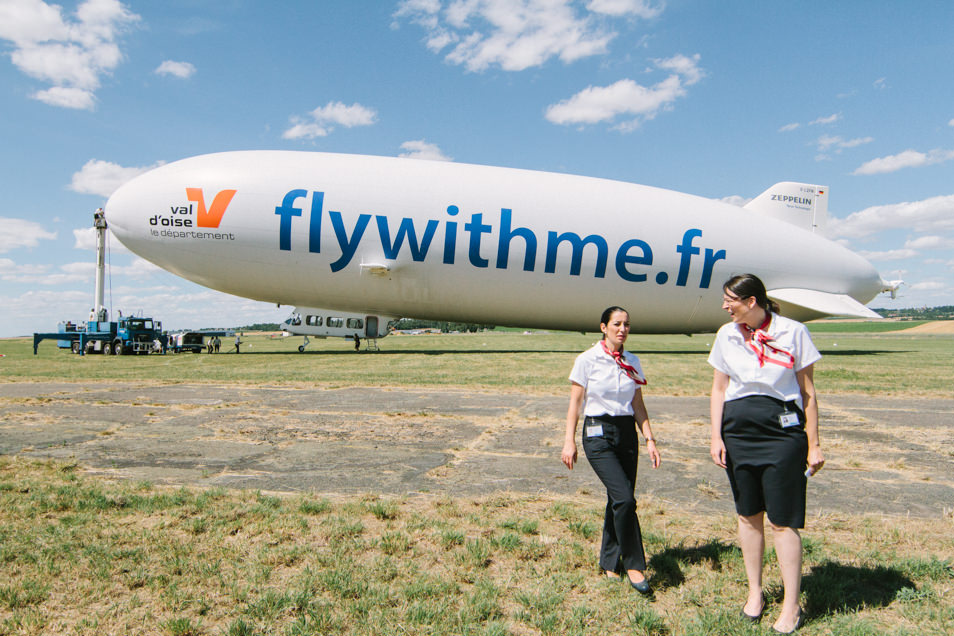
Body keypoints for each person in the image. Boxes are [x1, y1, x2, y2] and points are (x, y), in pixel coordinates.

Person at [708, 274, 825, 634]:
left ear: (752, 301)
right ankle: (755, 593)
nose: (725, 306)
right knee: (747, 515)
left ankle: (791, 606)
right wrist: (716, 436)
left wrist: (814, 442)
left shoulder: (793, 331)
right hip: (738, 434)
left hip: (782, 434)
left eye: (731, 300)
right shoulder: (726, 335)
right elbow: (718, 389)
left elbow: (808, 392)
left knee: (782, 520)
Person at [562, 306, 661, 594]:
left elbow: (638, 405)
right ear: (603, 327)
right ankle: (634, 565)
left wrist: (650, 439)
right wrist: (569, 441)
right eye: (617, 324)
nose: (623, 329)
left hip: (626, 434)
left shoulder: (633, 361)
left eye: (627, 324)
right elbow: (575, 404)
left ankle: (608, 563)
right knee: (625, 499)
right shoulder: (587, 360)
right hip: (597, 435)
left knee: (618, 500)